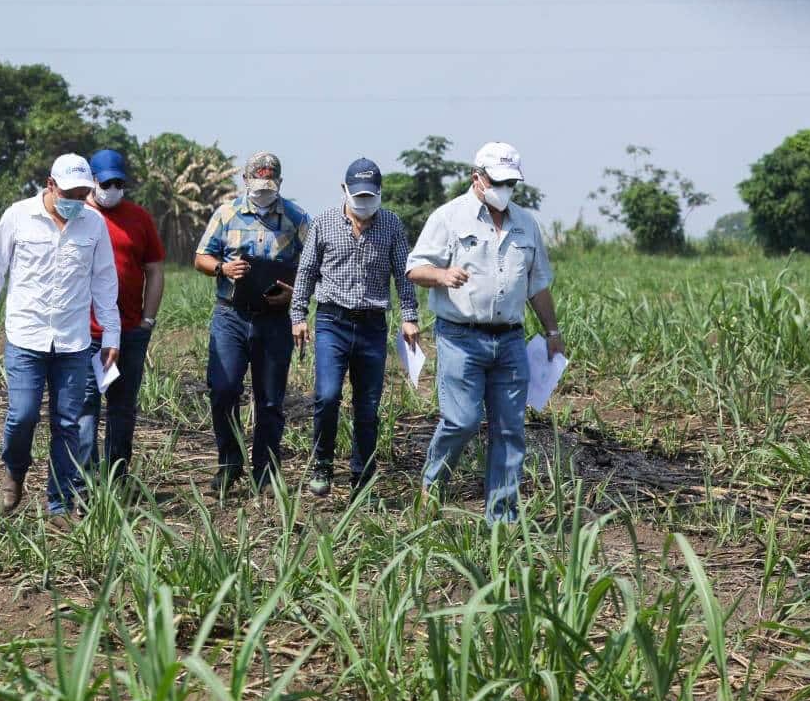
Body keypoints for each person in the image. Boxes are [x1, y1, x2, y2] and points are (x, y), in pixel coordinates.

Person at [405, 142, 564, 522]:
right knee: (461, 421)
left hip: (510, 339)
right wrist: (442, 275)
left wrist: (553, 330)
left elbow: (537, 283)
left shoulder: (527, 224)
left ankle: (503, 517)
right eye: (498, 180)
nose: (504, 188)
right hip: (461, 336)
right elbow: (415, 268)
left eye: (511, 182)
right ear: (477, 178)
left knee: (510, 429)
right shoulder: (448, 217)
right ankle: (433, 485)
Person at [0, 154, 120, 524]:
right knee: (21, 416)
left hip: (73, 340)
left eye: (84, 192)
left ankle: (59, 503)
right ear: (50, 184)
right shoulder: (18, 216)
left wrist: (112, 332)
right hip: (26, 335)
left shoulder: (94, 223)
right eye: (71, 192)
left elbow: (104, 281)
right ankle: (15, 471)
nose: (78, 199)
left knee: (67, 423)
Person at [291, 158, 421, 499]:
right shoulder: (324, 222)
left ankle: (363, 477)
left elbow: (403, 276)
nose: (364, 202)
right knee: (328, 395)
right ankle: (322, 464)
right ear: (344, 191)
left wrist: (410, 317)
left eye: (370, 195)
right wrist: (298, 315)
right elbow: (306, 272)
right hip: (332, 321)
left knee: (368, 406)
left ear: (379, 193)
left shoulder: (391, 224)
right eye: (358, 195)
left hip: (371, 326)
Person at [194, 151, 310, 494]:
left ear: (280, 183)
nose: (263, 191)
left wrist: (294, 294)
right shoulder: (226, 213)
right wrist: (222, 268)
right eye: (257, 185)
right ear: (245, 182)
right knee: (224, 388)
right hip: (231, 314)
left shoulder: (296, 217)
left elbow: (315, 264)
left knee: (271, 399)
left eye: (269, 185)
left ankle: (266, 471)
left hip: (274, 319)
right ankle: (229, 464)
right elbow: (201, 256)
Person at [77, 148, 166, 482]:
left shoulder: (138, 217)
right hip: (86, 333)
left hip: (129, 331)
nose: (112, 188)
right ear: (92, 180)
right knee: (85, 407)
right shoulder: (77, 213)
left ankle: (116, 476)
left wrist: (148, 320)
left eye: (118, 182)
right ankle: (85, 481)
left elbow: (155, 269)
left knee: (122, 408)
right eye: (106, 182)